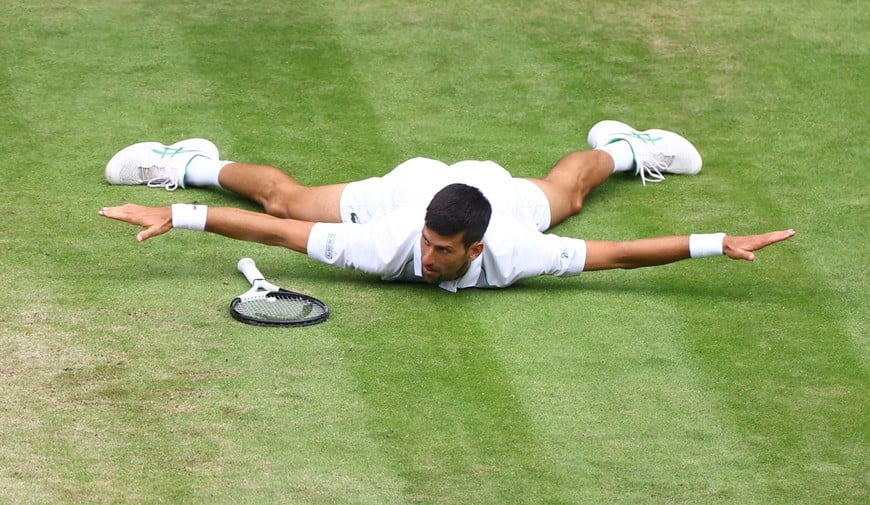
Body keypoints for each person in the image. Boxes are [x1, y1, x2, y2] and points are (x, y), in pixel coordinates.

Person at [99, 120, 795, 292]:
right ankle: (186, 162)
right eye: (427, 247)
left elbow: (618, 257)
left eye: (440, 252)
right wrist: (182, 214)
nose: (426, 259)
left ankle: (626, 144)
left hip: (496, 194)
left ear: (477, 251)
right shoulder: (390, 240)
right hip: (408, 190)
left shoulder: (518, 247)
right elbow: (275, 233)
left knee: (575, 192)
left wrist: (716, 241)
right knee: (285, 199)